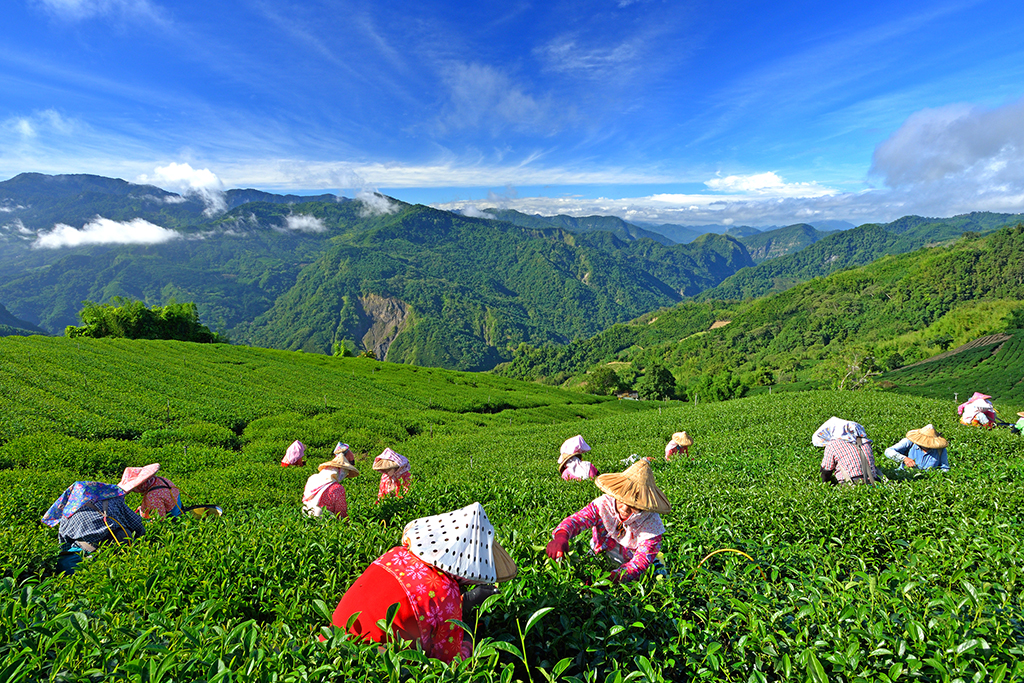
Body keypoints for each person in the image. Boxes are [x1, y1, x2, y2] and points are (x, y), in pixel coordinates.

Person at [328, 502, 517, 663]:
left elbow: (417, 601)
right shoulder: (446, 593)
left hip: (330, 643)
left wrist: (461, 602)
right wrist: (468, 641)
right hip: (369, 664)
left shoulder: (397, 554)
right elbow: (448, 663)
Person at [546, 459, 670, 583]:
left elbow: (639, 564)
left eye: (634, 506)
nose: (625, 508)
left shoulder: (652, 524)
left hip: (629, 567)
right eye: (622, 500)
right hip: (601, 553)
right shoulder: (604, 504)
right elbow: (578, 520)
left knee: (657, 579)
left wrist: (608, 579)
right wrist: (561, 536)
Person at [41, 481, 146, 575]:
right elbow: (137, 524)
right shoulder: (113, 501)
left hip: (86, 552)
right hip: (121, 547)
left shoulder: (68, 512)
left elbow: (64, 542)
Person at [813, 417, 880, 486]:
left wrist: (824, 484)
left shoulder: (833, 444)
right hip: (873, 481)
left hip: (850, 483)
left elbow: (826, 470)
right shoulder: (865, 441)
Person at [302, 451, 359, 517]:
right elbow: (340, 512)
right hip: (323, 519)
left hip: (306, 514)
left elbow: (305, 499)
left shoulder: (313, 478)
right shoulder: (337, 488)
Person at [117, 463, 182, 518]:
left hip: (173, 515)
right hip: (178, 506)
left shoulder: (151, 497)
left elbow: (160, 518)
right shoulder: (160, 480)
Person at [884, 424, 949, 471]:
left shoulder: (940, 449)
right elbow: (888, 451)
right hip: (904, 476)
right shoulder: (910, 442)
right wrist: (905, 459)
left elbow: (945, 468)